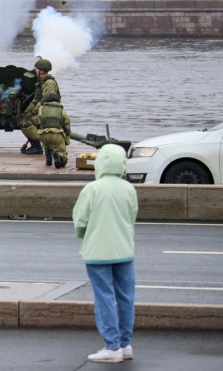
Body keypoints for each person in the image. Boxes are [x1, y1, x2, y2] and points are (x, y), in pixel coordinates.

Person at [72, 144, 138, 364]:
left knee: (104, 298)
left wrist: (84, 234)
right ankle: (126, 344)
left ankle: (112, 346)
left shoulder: (92, 189)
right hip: (124, 250)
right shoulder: (129, 188)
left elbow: (80, 221)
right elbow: (132, 216)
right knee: (126, 298)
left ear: (100, 163)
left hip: (98, 252)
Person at [17, 58, 59, 155]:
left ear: (42, 70)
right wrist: (27, 112)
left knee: (24, 122)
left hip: (49, 113)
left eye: (37, 69)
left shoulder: (49, 83)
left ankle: (37, 147)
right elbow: (36, 100)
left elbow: (44, 101)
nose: (35, 70)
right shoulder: (41, 82)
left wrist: (32, 113)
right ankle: (35, 144)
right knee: (22, 118)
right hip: (43, 111)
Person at [32, 91, 71, 168]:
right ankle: (59, 156)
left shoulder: (41, 109)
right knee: (63, 157)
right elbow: (67, 123)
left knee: (46, 144)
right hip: (56, 134)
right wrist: (66, 135)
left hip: (43, 134)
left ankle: (48, 159)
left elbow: (36, 120)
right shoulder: (61, 110)